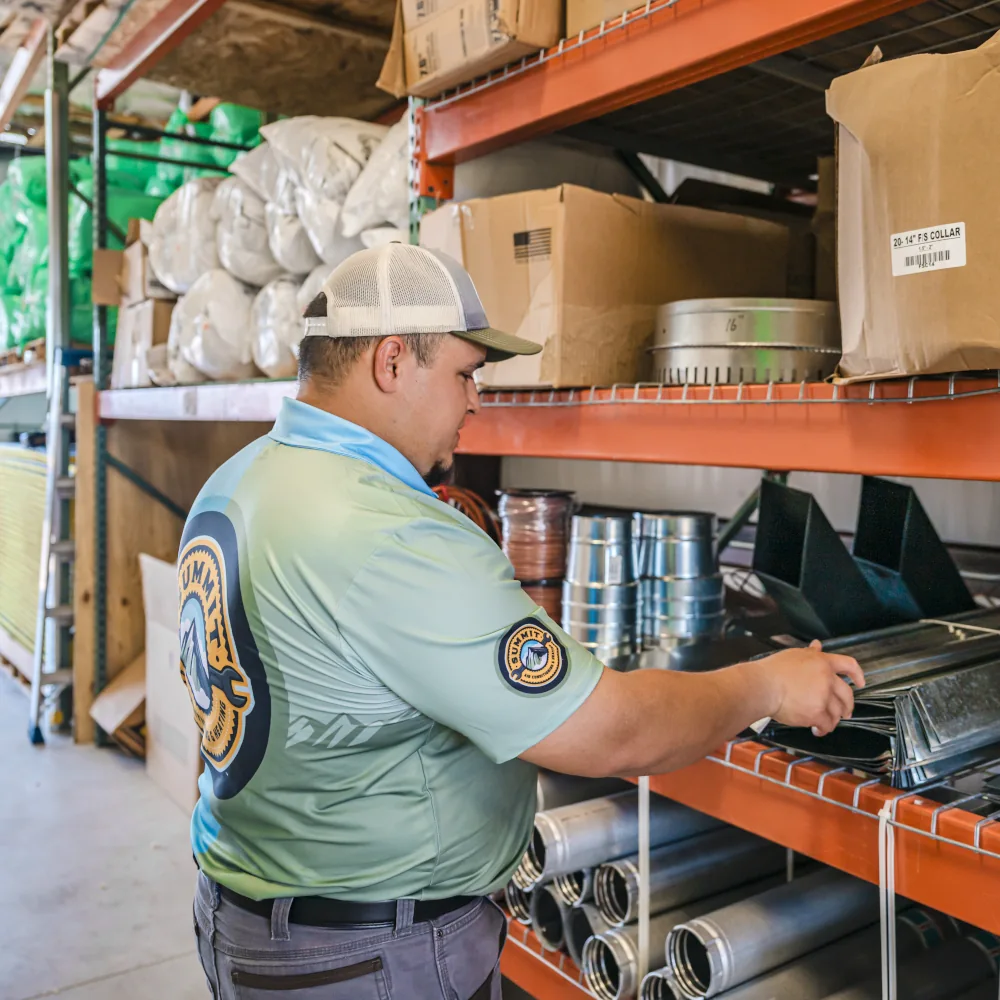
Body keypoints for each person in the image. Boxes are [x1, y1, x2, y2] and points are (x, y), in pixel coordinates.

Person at [182, 243, 863, 999]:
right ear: (393, 362)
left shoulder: (237, 482)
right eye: (466, 373)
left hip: (250, 919)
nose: (476, 400)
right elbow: (611, 732)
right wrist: (764, 685)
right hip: (368, 957)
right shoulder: (385, 531)